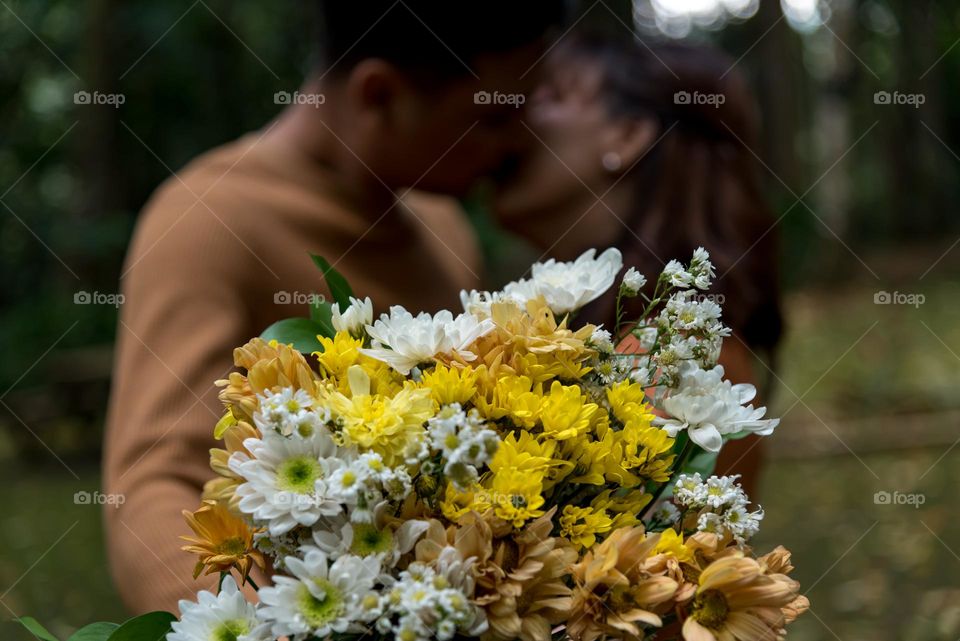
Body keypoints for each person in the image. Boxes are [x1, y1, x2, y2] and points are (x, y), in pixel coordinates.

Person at [103, 1, 565, 613]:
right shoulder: (206, 221)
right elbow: (155, 483)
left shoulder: (446, 229)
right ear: (379, 94)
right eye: (495, 119)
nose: (521, 144)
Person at [493, 33, 783, 493]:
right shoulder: (584, 330)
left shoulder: (678, 362)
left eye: (551, 94)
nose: (513, 114)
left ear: (626, 135)